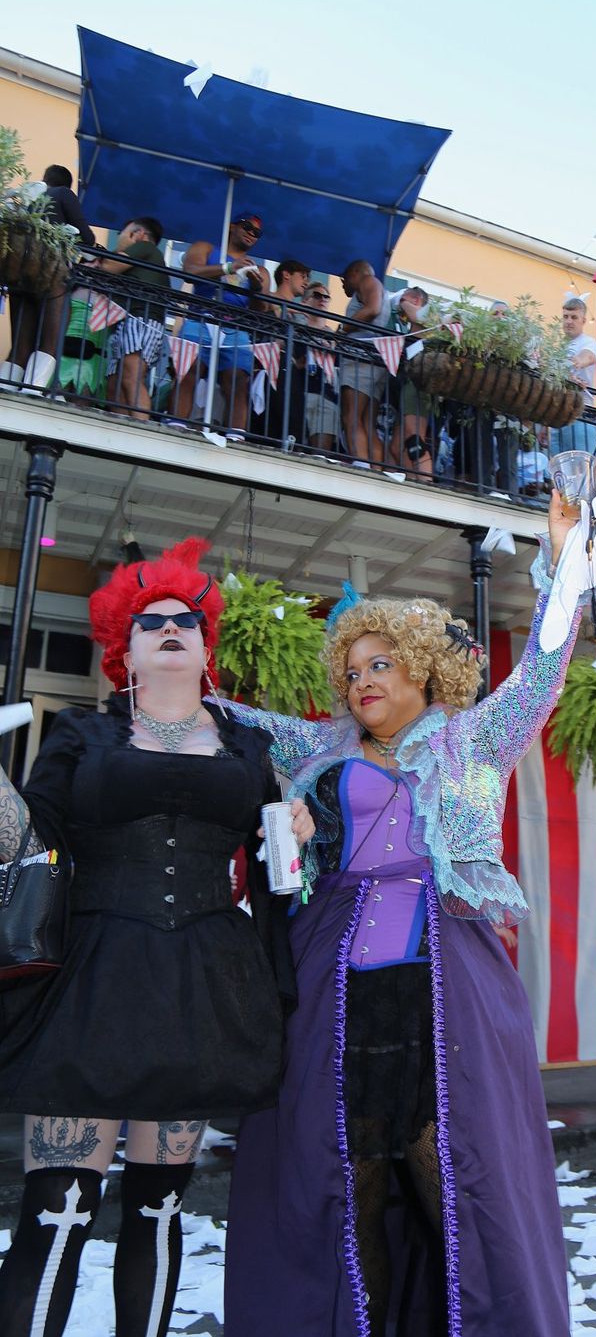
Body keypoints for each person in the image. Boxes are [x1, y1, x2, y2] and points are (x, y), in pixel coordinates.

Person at [221, 489, 596, 1337]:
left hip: (448, 986)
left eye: (381, 666)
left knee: (454, 1181)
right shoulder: (320, 748)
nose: (363, 682)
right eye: (353, 670)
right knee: (348, 1180)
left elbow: (544, 668)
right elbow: (236, 725)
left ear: (423, 669)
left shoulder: (475, 738)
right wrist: (167, 671)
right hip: (337, 992)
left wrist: (567, 562)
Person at [0, 539, 312, 1337]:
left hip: (204, 989)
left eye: (187, 620)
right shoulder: (80, 736)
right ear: (124, 648)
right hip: (94, 986)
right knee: (58, 1209)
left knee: (160, 1208)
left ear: (206, 647)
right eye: (151, 621)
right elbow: (33, 840)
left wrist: (303, 833)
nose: (170, 628)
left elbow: (281, 869)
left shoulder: (251, 748)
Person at [178, 214, 271, 437]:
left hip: (236, 328)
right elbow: (189, 272)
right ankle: (176, 424)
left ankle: (236, 436)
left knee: (239, 382)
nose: (251, 233)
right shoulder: (206, 248)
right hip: (200, 317)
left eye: (256, 233)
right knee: (188, 371)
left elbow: (262, 310)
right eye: (247, 227)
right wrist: (229, 267)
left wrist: (257, 289)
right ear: (231, 226)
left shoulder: (261, 271)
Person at [8, 166, 98, 368]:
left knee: (20, 346)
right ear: (67, 184)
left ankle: (5, 388)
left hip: (18, 271)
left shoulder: (24, 195)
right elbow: (87, 237)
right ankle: (33, 391)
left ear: (44, 178)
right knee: (50, 342)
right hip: (48, 270)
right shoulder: (63, 193)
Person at [99, 216, 172, 419]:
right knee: (116, 382)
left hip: (141, 318)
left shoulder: (144, 247)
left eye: (123, 232)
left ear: (138, 234)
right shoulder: (146, 255)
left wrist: (116, 252)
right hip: (130, 320)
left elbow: (109, 267)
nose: (119, 237)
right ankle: (121, 429)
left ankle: (142, 429)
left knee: (131, 375)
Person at [339, 259, 394, 465]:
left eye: (344, 279)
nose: (343, 285)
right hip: (376, 359)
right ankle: (377, 471)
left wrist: (342, 330)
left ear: (355, 273)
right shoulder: (377, 286)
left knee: (350, 416)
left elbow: (373, 309)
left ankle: (361, 467)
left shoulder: (368, 281)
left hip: (360, 357)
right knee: (367, 424)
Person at [256, 258, 312, 445]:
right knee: (270, 422)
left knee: (293, 425)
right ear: (286, 274)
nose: (306, 282)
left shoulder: (301, 314)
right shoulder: (269, 299)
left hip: (291, 374)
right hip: (268, 370)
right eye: (302, 276)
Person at [391, 285, 435, 478]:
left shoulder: (425, 316)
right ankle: (411, 478)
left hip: (417, 383)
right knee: (397, 444)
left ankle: (425, 482)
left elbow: (416, 316)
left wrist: (402, 303)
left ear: (417, 300)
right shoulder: (416, 323)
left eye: (405, 296)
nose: (401, 300)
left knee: (415, 437)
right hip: (410, 380)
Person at [549, 293, 596, 455]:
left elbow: (588, 356)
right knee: (558, 474)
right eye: (565, 316)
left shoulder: (589, 342)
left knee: (582, 469)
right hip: (557, 416)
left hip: (581, 413)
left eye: (574, 317)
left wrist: (576, 362)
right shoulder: (557, 347)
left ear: (583, 320)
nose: (569, 321)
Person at [301, 281, 340, 452]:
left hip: (327, 396)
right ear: (305, 301)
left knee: (321, 455)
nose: (322, 299)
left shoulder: (334, 337)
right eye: (317, 295)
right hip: (301, 393)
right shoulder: (295, 329)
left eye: (326, 297)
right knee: (296, 449)